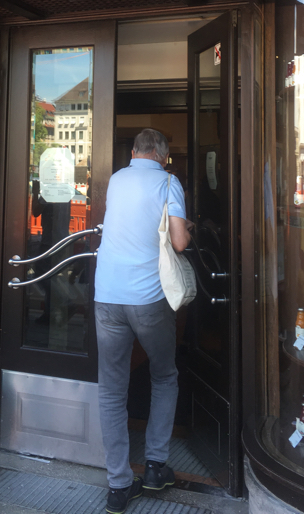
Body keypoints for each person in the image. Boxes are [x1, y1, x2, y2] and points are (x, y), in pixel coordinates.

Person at [95, 129, 191, 514]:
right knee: (164, 375)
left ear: (134, 152)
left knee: (111, 390)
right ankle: (154, 466)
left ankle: (118, 486)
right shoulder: (169, 182)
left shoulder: (117, 179)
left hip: (107, 295)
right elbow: (179, 242)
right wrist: (188, 227)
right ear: (164, 156)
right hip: (148, 298)